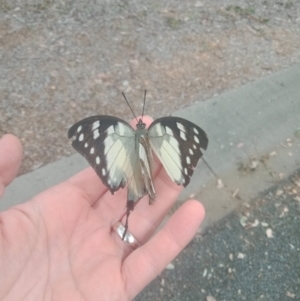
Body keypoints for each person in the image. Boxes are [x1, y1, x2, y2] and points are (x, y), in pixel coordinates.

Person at [0, 116, 205, 301]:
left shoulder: (123, 132)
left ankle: (133, 204)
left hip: (137, 174)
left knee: (139, 180)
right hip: (135, 173)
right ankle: (133, 203)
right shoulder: (152, 130)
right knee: (138, 179)